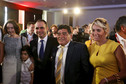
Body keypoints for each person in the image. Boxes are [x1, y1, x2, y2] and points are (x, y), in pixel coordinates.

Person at [89, 18, 126, 84]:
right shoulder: (91, 47)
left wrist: (107, 80)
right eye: (93, 30)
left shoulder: (115, 46)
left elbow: (124, 72)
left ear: (105, 31)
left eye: (98, 30)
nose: (95, 33)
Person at [30, 19, 58, 84]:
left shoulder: (55, 42)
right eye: (37, 28)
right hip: (37, 78)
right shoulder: (32, 43)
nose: (39, 30)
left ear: (47, 28)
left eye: (42, 28)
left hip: (51, 77)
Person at [2, 19, 28, 84]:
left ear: (15, 28)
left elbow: (27, 53)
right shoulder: (5, 38)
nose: (10, 30)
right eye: (8, 28)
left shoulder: (23, 39)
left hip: (18, 65)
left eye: (12, 28)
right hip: (6, 65)